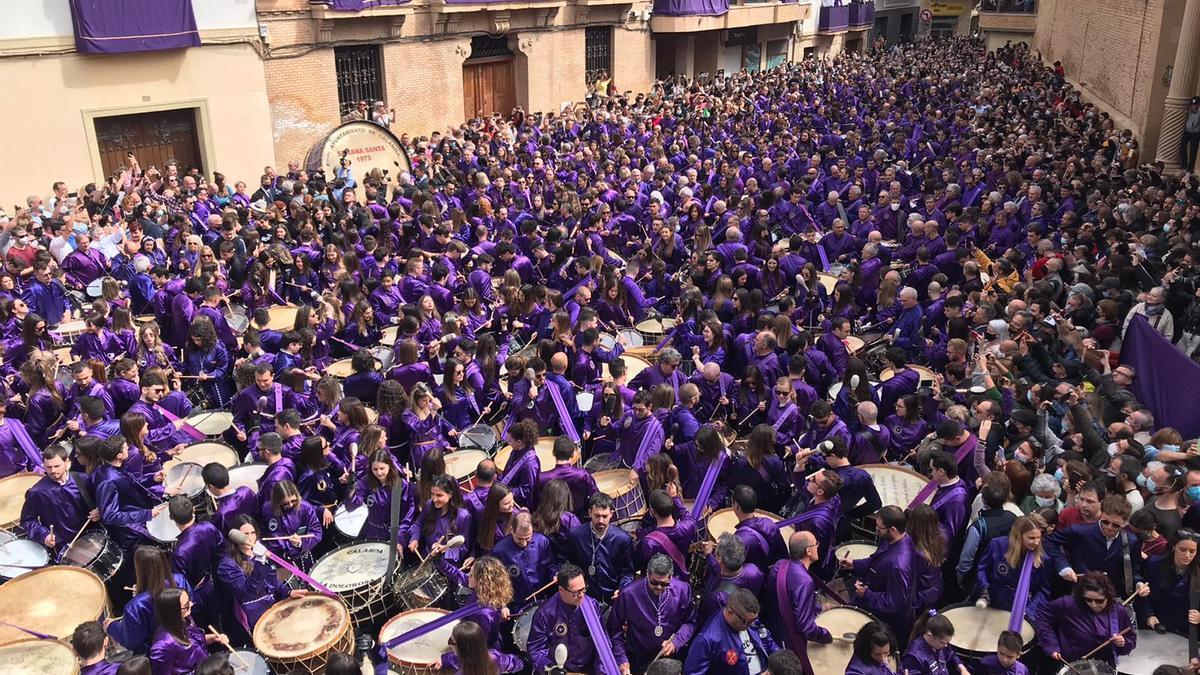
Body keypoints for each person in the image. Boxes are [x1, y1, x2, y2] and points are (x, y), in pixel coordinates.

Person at [608, 554, 697, 674]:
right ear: (647, 575)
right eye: (654, 583)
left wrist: (676, 642)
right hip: (637, 658)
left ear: (671, 577)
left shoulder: (683, 590)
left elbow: (690, 622)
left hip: (669, 660)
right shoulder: (629, 594)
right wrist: (621, 658)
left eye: (665, 584)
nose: (659, 587)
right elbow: (614, 629)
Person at [841, 506, 917, 641]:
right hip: (872, 594)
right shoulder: (891, 539)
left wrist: (867, 594)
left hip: (883, 620)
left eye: (879, 527)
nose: (876, 529)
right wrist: (855, 564)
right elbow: (875, 559)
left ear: (893, 529)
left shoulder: (899, 565)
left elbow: (893, 603)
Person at [1033, 571, 1137, 667]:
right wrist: (1051, 644)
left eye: (1099, 601)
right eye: (1088, 599)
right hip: (1072, 665)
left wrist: (1122, 643)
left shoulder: (1118, 610)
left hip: (1105, 666)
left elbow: (1131, 639)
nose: (1093, 604)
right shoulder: (1068, 604)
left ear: (1108, 597)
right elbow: (1042, 616)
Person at [763, 531, 832, 668]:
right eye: (815, 544)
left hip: (772, 630)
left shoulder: (780, 564)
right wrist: (826, 636)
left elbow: (788, 600)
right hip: (788, 640)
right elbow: (806, 627)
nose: (817, 546)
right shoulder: (805, 582)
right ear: (808, 551)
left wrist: (817, 608)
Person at [21, 443, 97, 555]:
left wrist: (99, 511)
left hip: (92, 535)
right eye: (48, 467)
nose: (52, 471)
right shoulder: (36, 492)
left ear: (67, 463)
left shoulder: (83, 479)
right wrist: (44, 535)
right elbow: (27, 520)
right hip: (63, 546)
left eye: (56, 466)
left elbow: (100, 503)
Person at [683, 587, 778, 674]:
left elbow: (768, 641)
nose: (752, 624)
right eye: (747, 622)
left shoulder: (749, 619)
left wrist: (780, 664)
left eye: (754, 620)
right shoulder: (707, 639)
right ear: (730, 613)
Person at [527, 563, 598, 673]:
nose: (581, 595)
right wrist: (550, 669)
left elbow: (602, 644)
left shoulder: (591, 606)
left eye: (583, 589)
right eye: (576, 592)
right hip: (557, 669)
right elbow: (536, 650)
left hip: (586, 668)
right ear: (561, 590)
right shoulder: (544, 613)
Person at [565, 492, 635, 601]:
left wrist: (622, 588)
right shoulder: (575, 535)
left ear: (611, 514)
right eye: (597, 516)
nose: (601, 521)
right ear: (589, 512)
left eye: (605, 516)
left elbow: (627, 572)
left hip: (612, 597)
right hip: (584, 597)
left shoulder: (622, 539)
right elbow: (566, 563)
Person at [148, 587, 229, 674]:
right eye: (186, 605)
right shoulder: (162, 646)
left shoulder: (186, 619)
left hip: (205, 667)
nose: (191, 604)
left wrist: (213, 638)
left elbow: (194, 642)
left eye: (189, 601)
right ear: (173, 611)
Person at [437, 621, 524, 674]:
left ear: (461, 648)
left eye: (451, 641)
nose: (450, 644)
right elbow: (517, 664)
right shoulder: (495, 658)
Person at [899, 612, 969, 675]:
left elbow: (950, 654)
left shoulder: (939, 644)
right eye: (943, 643)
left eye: (947, 642)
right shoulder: (913, 657)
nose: (946, 645)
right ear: (930, 636)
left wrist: (962, 668)